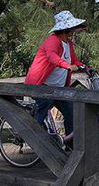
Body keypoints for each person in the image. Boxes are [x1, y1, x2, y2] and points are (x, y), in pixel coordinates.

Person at [24, 10, 92, 146]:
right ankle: (31, 138)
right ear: (66, 29)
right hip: (41, 84)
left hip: (59, 88)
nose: (74, 31)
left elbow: (75, 61)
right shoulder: (52, 41)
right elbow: (52, 56)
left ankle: (70, 145)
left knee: (71, 113)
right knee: (44, 105)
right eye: (72, 28)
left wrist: (86, 67)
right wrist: (67, 65)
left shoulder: (69, 44)